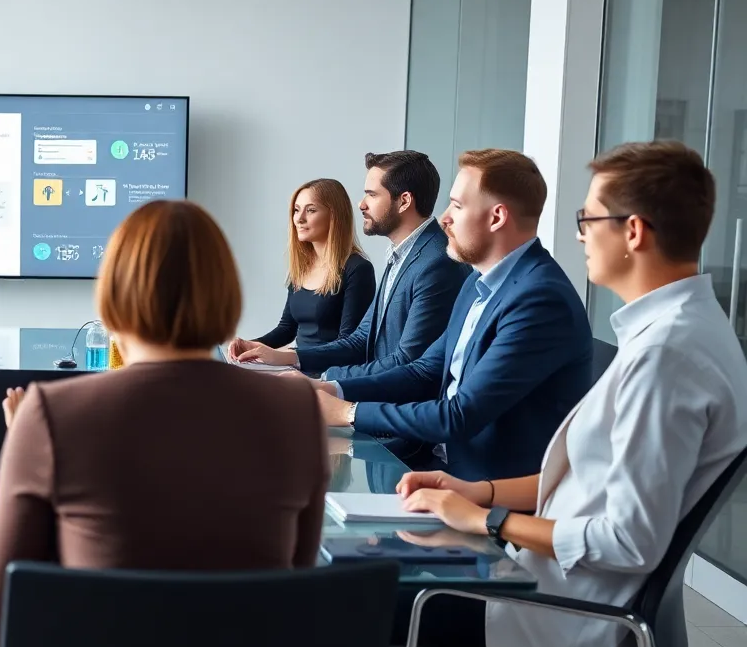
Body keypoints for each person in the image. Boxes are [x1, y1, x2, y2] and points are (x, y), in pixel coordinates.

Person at [392, 141, 747, 647]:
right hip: (557, 590)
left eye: (588, 218)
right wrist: (477, 491)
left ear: (632, 232)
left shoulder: (667, 357)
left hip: (562, 617)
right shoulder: (683, 331)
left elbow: (628, 541)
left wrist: (487, 521)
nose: (580, 233)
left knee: (350, 597)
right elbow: (589, 481)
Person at [0, 200, 330, 647]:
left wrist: (27, 454)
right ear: (225, 295)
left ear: (112, 295)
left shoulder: (50, 416)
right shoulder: (297, 412)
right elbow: (293, 584)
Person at [307, 149, 591, 482]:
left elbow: (460, 415)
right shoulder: (477, 281)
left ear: (497, 218)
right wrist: (333, 389)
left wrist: (348, 413)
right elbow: (424, 371)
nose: (444, 218)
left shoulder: (540, 300)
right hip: (437, 466)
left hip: (482, 491)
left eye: (456, 205)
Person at [233, 152, 468, 376]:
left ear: (404, 201)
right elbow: (361, 339)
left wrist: (323, 382)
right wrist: (289, 359)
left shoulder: (436, 262)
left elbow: (406, 363)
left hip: (388, 401)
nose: (361, 204)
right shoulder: (401, 255)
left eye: (372, 194)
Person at [228, 178, 375, 362]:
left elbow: (349, 344)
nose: (299, 218)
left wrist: (288, 357)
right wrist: (251, 346)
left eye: (311, 210)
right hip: (297, 367)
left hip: (329, 376)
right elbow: (286, 329)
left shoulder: (358, 269)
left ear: (334, 216)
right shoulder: (301, 267)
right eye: (296, 210)